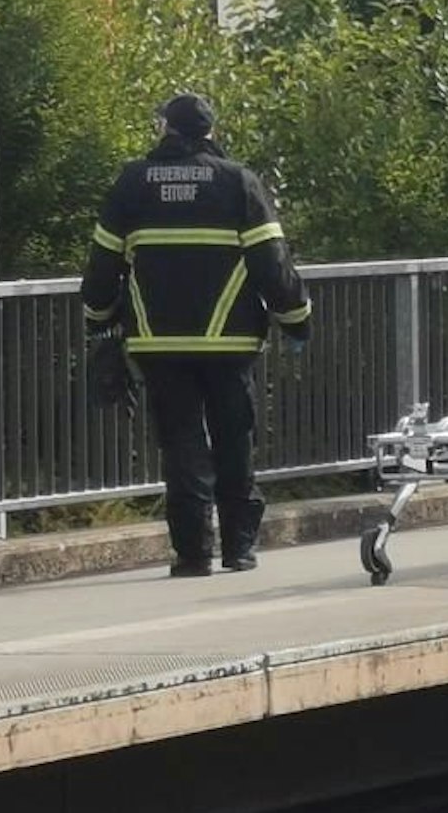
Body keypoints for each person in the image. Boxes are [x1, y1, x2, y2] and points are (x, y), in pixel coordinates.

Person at [80, 93, 312, 577]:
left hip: (158, 342)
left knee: (181, 443)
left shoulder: (133, 183)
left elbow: (103, 265)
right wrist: (296, 319)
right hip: (230, 344)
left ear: (164, 128)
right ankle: (239, 548)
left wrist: (99, 320)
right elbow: (272, 264)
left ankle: (191, 554)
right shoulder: (238, 183)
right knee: (234, 439)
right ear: (210, 131)